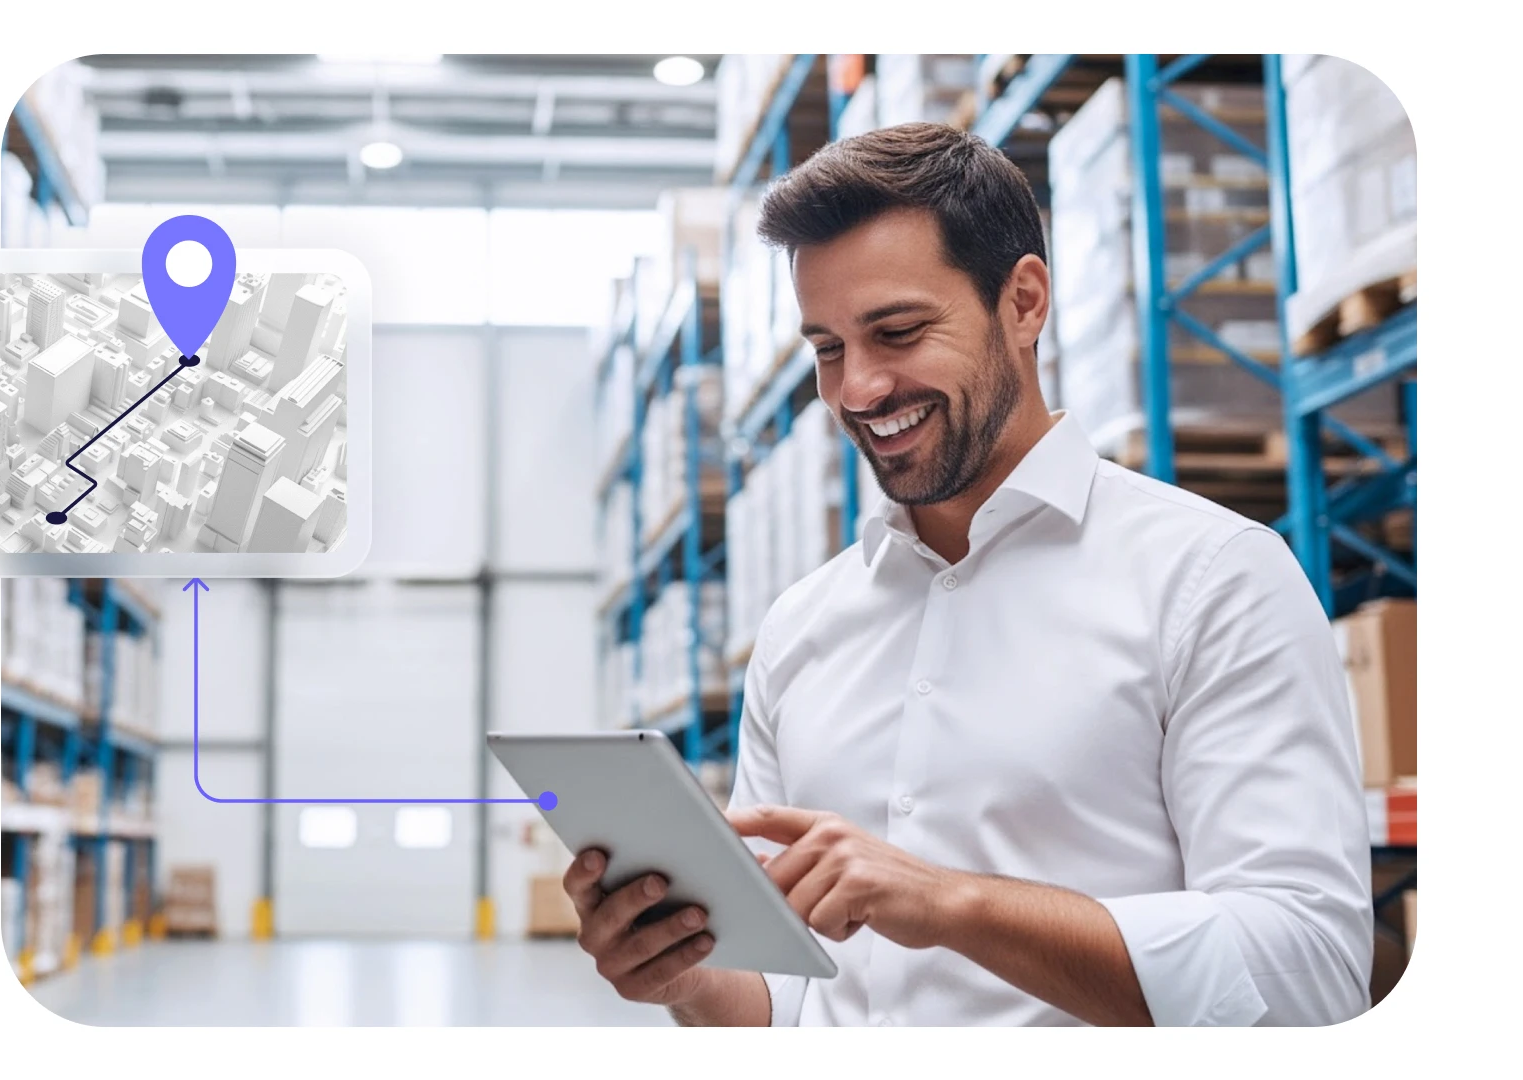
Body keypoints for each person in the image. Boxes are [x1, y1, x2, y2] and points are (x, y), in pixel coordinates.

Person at [563, 122, 1372, 1027]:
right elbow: (789, 999)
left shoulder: (1211, 580)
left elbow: (1307, 972)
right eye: (828, 349)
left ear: (1023, 302)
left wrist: (952, 904)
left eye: (898, 332)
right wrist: (685, 977)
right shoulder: (800, 630)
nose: (858, 390)